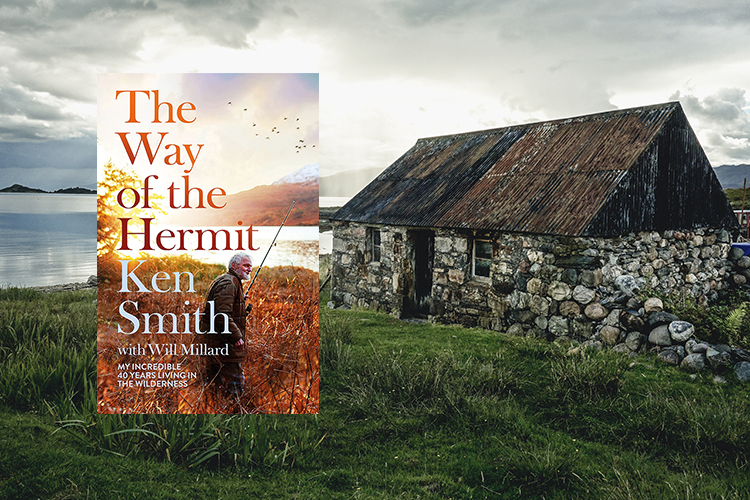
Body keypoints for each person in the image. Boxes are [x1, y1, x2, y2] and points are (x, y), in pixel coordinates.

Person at [199, 252, 253, 404]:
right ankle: (234, 414)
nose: (249, 269)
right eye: (246, 265)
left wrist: (240, 303)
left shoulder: (229, 280)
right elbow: (221, 314)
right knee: (235, 386)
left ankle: (213, 409)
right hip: (225, 344)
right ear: (234, 266)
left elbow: (225, 310)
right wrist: (236, 337)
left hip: (217, 343)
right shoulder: (229, 283)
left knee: (214, 384)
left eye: (250, 266)